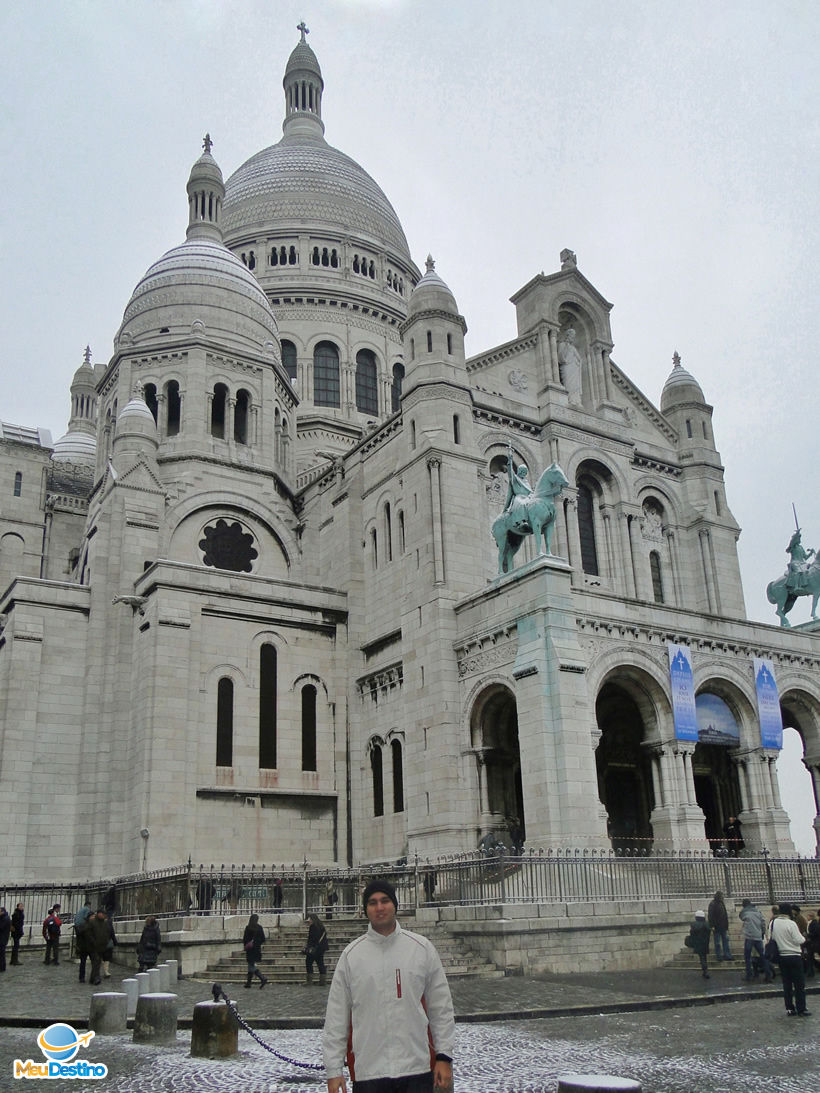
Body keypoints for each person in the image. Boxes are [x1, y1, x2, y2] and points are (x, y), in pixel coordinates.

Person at [323, 878, 455, 1093]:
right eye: (372, 902)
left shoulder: (421, 949)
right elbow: (337, 1016)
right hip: (370, 1072)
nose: (380, 907)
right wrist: (333, 1070)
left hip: (416, 1067)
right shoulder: (351, 956)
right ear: (366, 909)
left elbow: (440, 1007)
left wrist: (444, 1056)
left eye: (385, 900)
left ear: (395, 905)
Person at [767, 902, 810, 1016]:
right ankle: (801, 1008)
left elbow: (770, 937)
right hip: (794, 955)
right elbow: (798, 940)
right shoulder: (791, 923)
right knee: (799, 984)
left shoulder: (773, 923)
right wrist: (803, 938)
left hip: (781, 956)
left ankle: (789, 1008)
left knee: (787, 983)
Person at [739, 898, 773, 982]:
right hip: (758, 936)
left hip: (749, 937)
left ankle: (749, 975)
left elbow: (741, 917)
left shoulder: (745, 912)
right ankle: (768, 975)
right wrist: (762, 933)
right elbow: (763, 923)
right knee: (763, 956)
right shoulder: (758, 912)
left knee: (747, 957)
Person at [557, 326, 583, 404]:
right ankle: (569, 400)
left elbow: (579, 358)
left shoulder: (573, 348)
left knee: (575, 386)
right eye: (572, 336)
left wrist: (578, 362)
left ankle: (576, 401)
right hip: (566, 368)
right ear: (568, 336)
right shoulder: (562, 345)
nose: (573, 338)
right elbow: (560, 356)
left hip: (574, 369)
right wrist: (566, 347)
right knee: (568, 384)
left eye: (574, 337)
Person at [86, 909, 111, 985]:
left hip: (102, 946)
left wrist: (106, 941)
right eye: (103, 914)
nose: (104, 916)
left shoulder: (105, 923)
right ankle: (96, 977)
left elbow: (108, 933)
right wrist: (93, 942)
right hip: (93, 947)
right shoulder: (92, 922)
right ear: (99, 914)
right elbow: (88, 934)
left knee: (97, 962)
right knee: (96, 962)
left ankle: (92, 978)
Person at [242, 913, 268, 989]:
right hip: (257, 949)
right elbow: (263, 939)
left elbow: (245, 939)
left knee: (251, 965)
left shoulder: (248, 927)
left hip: (250, 950)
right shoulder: (259, 928)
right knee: (251, 965)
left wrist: (246, 945)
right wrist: (257, 943)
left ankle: (262, 978)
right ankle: (248, 983)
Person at [707, 891, 732, 961]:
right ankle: (719, 956)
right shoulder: (713, 904)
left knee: (725, 941)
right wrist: (712, 925)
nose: (723, 897)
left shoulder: (721, 903)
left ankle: (727, 955)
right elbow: (710, 916)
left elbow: (725, 915)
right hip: (717, 926)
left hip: (723, 926)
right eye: (722, 896)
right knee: (718, 943)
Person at [304, 912, 329, 985]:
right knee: (320, 963)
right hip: (321, 948)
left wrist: (308, 947)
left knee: (308, 963)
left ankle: (309, 981)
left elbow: (312, 939)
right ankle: (322, 981)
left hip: (314, 948)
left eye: (309, 919)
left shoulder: (313, 927)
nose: (308, 920)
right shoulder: (321, 926)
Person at [687, 909, 711, 979]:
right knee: (704, 956)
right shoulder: (706, 924)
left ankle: (705, 970)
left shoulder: (693, 925)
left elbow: (692, 933)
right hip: (705, 942)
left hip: (697, 942)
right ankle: (705, 970)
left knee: (702, 957)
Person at [73, 899, 93, 983]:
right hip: (88, 945)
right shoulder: (87, 910)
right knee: (94, 961)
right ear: (88, 905)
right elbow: (86, 917)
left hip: (78, 928)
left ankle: (81, 977)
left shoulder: (80, 910)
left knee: (83, 962)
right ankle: (94, 976)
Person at [0, 906, 10, 972]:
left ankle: (2, 967)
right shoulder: (3, 918)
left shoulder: (5, 919)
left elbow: (1, 927)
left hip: (2, 939)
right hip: (2, 938)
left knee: (1, 954)